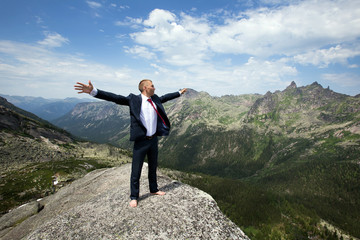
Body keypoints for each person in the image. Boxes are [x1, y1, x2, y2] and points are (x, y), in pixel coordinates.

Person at [74, 80, 187, 207]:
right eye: (152, 86)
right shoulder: (134, 99)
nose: (154, 88)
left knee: (153, 166)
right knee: (136, 169)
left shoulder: (155, 99)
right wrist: (94, 91)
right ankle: (134, 196)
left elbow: (165, 97)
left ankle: (154, 189)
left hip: (153, 140)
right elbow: (115, 98)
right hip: (141, 141)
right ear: (145, 88)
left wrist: (179, 93)